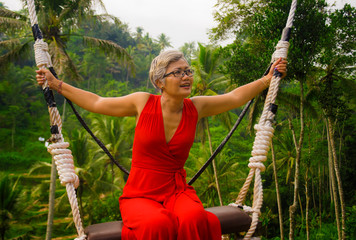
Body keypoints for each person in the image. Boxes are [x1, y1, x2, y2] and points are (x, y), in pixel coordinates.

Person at [36, 50, 287, 240]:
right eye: (177, 72)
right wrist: (56, 84)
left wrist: (268, 79)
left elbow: (234, 97)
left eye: (188, 71)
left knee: (194, 218)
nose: (186, 76)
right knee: (156, 224)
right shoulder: (142, 103)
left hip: (177, 190)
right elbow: (98, 101)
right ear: (160, 82)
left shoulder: (196, 107)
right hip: (140, 193)